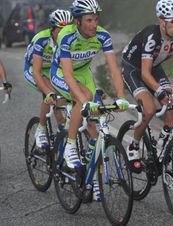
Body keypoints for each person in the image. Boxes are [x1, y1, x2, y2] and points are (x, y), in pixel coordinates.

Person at [50, 0, 129, 173]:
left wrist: (121, 96)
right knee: (84, 98)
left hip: (84, 73)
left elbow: (114, 69)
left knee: (95, 114)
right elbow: (69, 75)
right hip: (62, 73)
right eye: (89, 20)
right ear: (77, 21)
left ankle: (90, 172)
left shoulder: (103, 36)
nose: (94, 25)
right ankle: (70, 145)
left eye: (96, 19)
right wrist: (83, 99)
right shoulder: (67, 35)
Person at [121, 0, 173, 172]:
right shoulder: (152, 35)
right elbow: (145, 73)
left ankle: (163, 141)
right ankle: (134, 145)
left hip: (155, 68)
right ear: (162, 21)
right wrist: (159, 92)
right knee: (150, 109)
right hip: (134, 70)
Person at [24, 9, 73, 149]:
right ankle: (41, 128)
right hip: (34, 69)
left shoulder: (68, 40)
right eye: (60, 29)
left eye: (67, 29)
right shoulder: (41, 39)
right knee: (50, 92)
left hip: (53, 69)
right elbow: (37, 72)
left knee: (62, 98)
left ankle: (60, 133)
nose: (64, 33)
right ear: (51, 29)